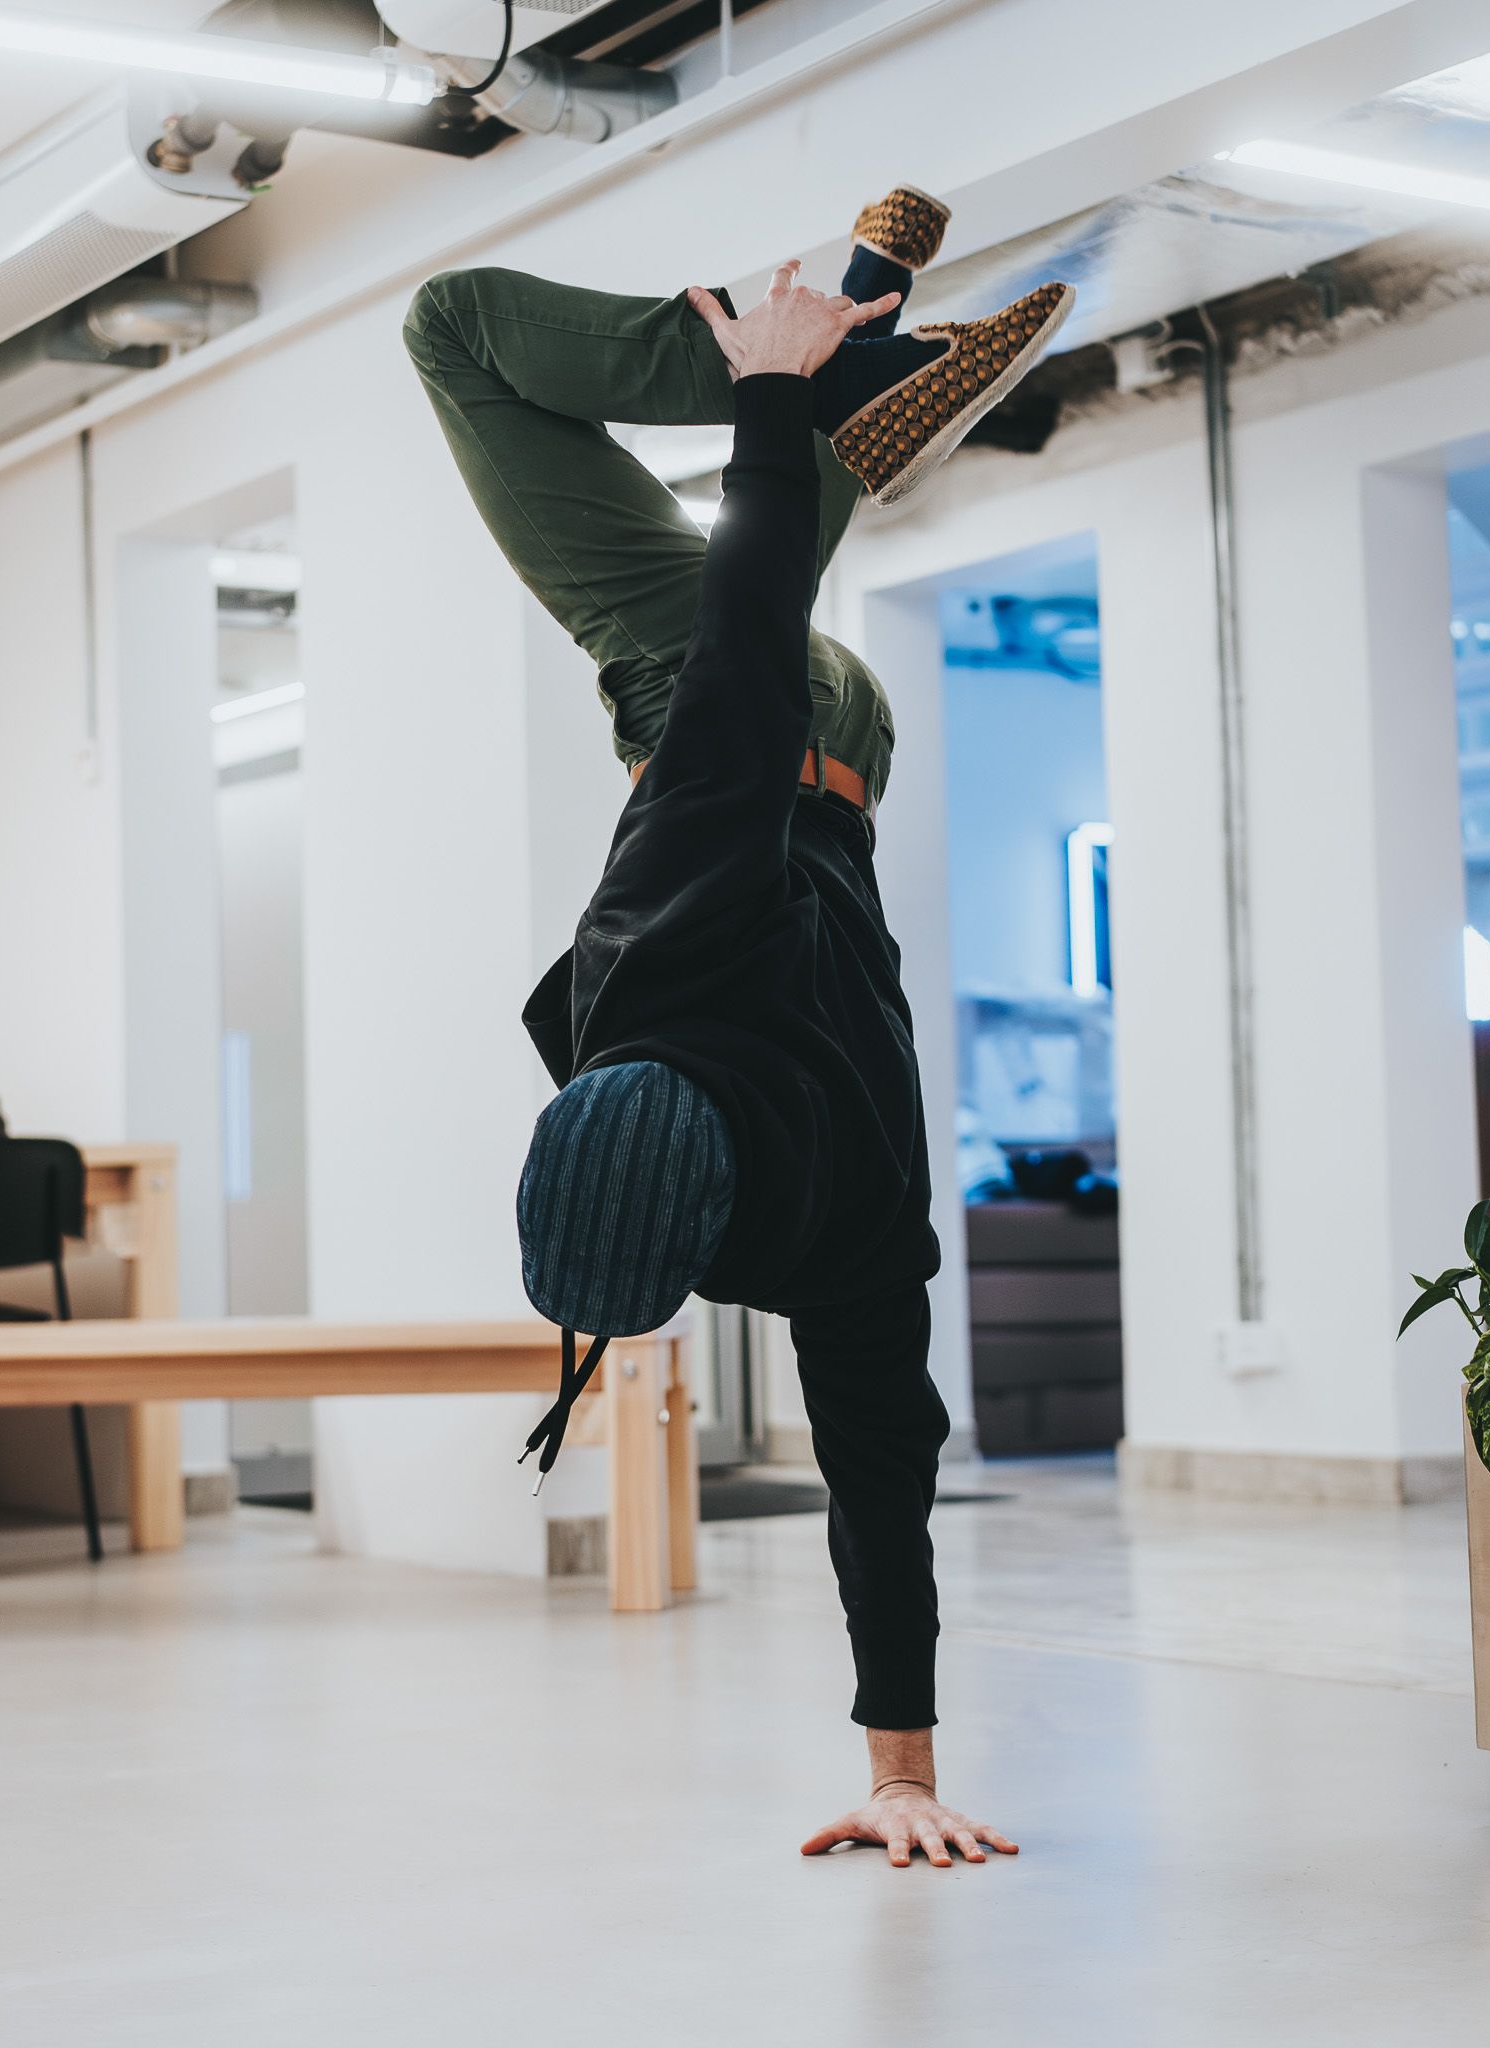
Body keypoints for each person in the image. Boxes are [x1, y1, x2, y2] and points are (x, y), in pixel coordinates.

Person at [404, 190, 1070, 1868]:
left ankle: (858, 350)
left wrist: (904, 1771)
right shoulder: (664, 955)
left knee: (756, 601)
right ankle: (824, 356)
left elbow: (880, 1463)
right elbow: (752, 637)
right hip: (718, 708)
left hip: (845, 751)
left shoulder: (841, 1196)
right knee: (459, 327)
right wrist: (758, 389)